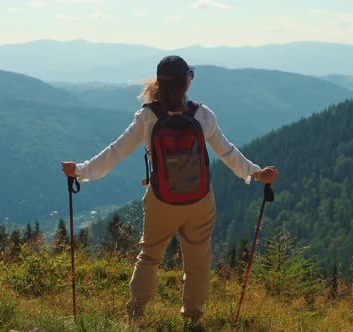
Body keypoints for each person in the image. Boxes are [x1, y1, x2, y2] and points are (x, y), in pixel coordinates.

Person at [61, 55, 279, 322]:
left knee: (150, 256)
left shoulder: (147, 117)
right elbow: (227, 151)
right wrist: (256, 173)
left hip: (161, 200)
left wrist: (81, 170)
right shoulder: (203, 115)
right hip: (199, 201)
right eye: (191, 74)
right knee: (198, 263)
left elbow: (115, 152)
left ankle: (136, 314)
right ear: (186, 83)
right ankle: (192, 319)